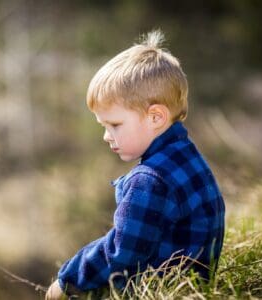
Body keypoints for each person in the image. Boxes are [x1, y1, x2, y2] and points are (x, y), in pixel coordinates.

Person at [45, 30, 225, 300]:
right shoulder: (186, 154)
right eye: (103, 126)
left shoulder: (151, 180)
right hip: (192, 287)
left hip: (161, 292)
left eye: (114, 125)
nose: (106, 136)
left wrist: (67, 279)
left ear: (155, 117)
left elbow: (120, 252)